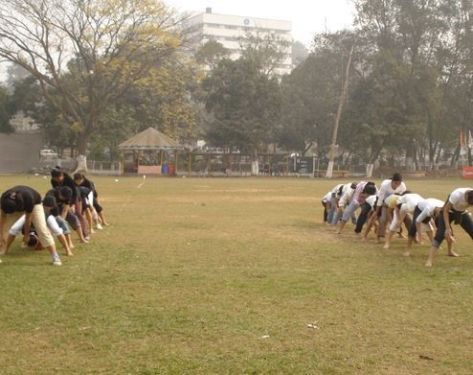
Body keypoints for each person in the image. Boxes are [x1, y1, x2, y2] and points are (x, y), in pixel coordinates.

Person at [0, 186, 62, 265]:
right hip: (16, 204)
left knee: (42, 229)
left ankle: (55, 256)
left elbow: (28, 219)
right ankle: (3, 250)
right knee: (3, 229)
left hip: (35, 204)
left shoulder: (28, 198)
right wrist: (1, 235)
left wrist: (26, 235)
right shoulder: (4, 199)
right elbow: (2, 218)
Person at [4, 195, 74, 256]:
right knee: (14, 228)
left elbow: (57, 232)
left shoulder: (50, 215)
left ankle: (67, 250)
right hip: (30, 216)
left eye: (50, 207)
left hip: (45, 219)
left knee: (57, 230)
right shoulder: (33, 210)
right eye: (47, 207)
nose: (48, 208)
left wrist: (68, 250)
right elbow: (14, 230)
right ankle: (5, 249)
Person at [425, 188, 473, 267]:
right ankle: (429, 260)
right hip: (448, 212)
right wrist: (447, 228)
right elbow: (446, 210)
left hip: (462, 213)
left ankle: (450, 252)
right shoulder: (457, 194)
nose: (469, 205)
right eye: (469, 203)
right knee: (440, 234)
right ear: (467, 196)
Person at [51, 167, 89, 239]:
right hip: (63, 197)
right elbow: (56, 190)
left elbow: (74, 192)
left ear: (62, 175)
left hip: (75, 196)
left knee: (78, 213)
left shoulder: (68, 179)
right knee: (63, 212)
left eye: (60, 178)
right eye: (56, 179)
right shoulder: (53, 181)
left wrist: (72, 205)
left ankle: (85, 234)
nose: (58, 180)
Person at [374, 173, 407, 241]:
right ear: (392, 181)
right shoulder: (385, 185)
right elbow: (380, 199)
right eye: (395, 183)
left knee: (400, 218)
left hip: (395, 202)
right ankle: (379, 236)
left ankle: (399, 232)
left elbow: (403, 197)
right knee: (383, 219)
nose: (397, 185)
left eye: (399, 183)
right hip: (384, 203)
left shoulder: (402, 186)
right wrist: (376, 212)